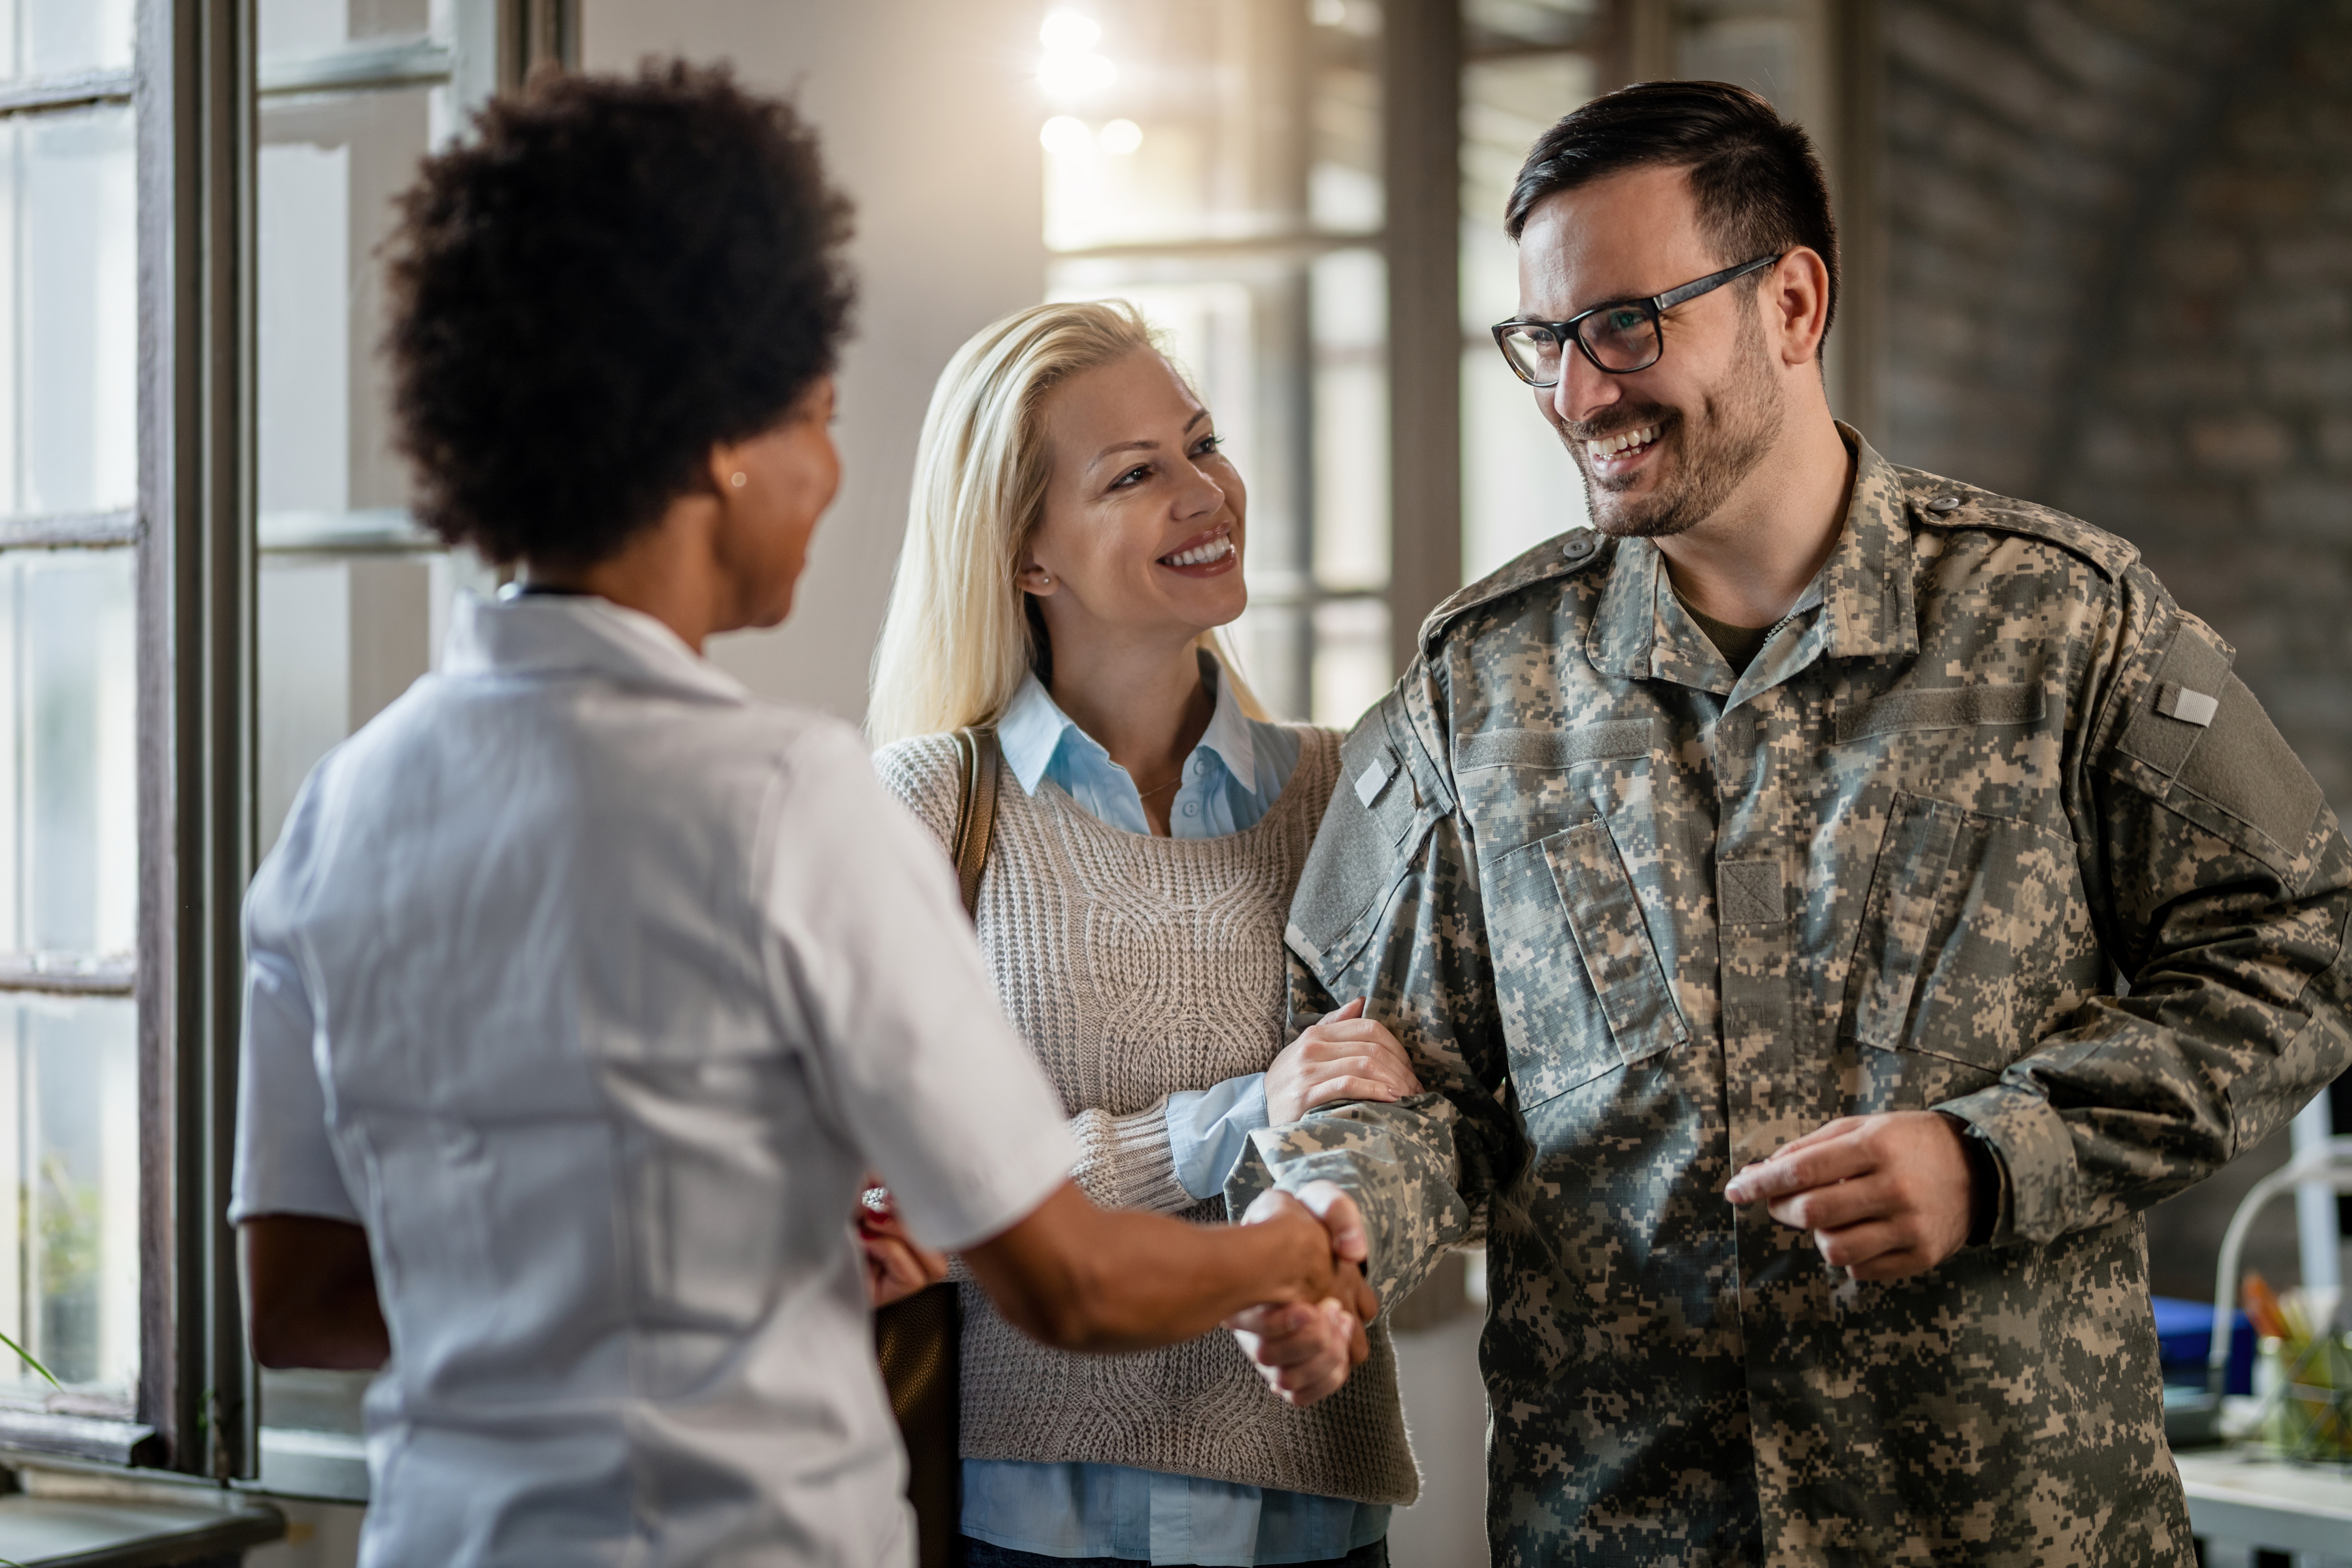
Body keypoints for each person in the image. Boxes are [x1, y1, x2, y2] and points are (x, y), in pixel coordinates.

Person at [227, 67, 1371, 1568]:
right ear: (722, 440)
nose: (831, 478)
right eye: (817, 419)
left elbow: (302, 1306)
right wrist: (1297, 1250)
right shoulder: (789, 799)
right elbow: (1067, 1284)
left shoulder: (342, 809)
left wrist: (695, 1268)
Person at [1229, 79, 2352, 1566]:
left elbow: (2298, 951)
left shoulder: (2061, 624)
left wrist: (1995, 1154)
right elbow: (1406, 1075)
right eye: (1545, 343)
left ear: (1793, 302)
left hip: (2004, 1529)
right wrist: (1338, 1222)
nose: (1579, 395)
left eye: (1627, 325)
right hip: (1620, 1530)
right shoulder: (1479, 681)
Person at [864, 300, 1420, 1568]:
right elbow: (905, 1198)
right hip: (1023, 1525)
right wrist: (1238, 1114)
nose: (1204, 490)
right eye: (1134, 474)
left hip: (1313, 1515)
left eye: (1201, 442)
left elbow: (1406, 1133)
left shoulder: (1350, 792)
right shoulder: (927, 803)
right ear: (1027, 558)